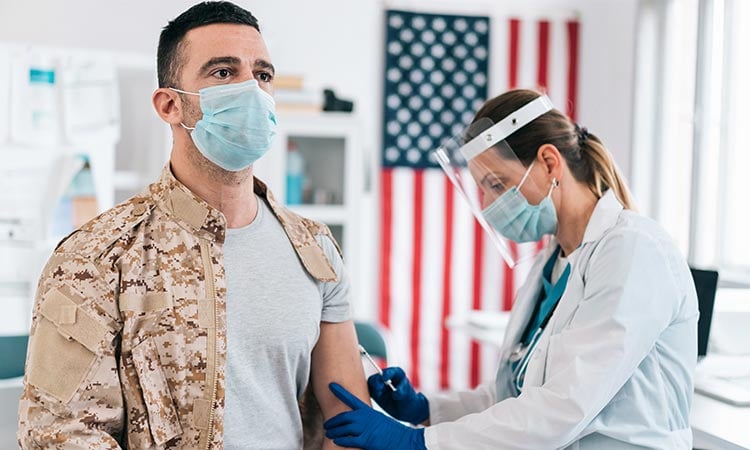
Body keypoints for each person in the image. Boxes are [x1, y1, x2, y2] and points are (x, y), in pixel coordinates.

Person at [17, 2, 368, 449]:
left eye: (262, 75)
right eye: (223, 73)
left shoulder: (315, 249)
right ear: (170, 105)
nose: (252, 91)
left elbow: (349, 423)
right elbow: (59, 435)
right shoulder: (97, 257)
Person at [323, 89, 699, 449]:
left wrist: (418, 441)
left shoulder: (632, 250)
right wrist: (427, 410)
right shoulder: (552, 265)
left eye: (496, 184)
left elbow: (563, 406)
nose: (487, 205)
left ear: (550, 163)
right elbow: (513, 394)